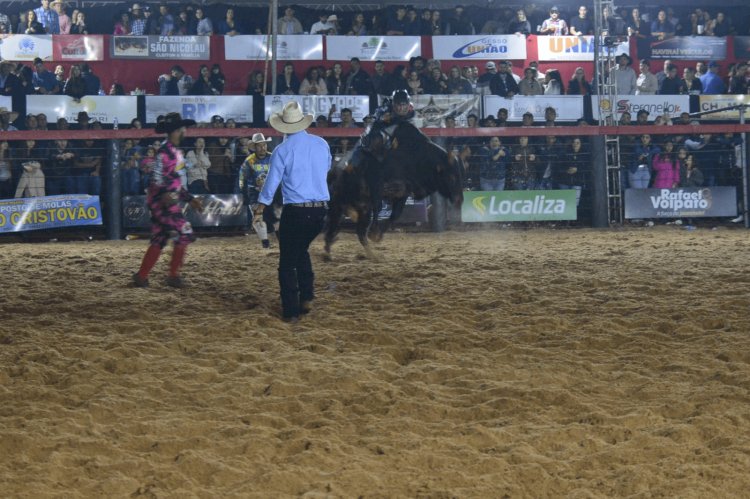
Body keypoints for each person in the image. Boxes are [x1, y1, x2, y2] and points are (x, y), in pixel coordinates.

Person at [253, 101, 331, 322]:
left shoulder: (282, 150)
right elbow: (325, 170)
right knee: (301, 250)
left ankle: (291, 311)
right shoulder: (321, 144)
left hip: (295, 211)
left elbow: (271, 183)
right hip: (319, 212)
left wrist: (260, 209)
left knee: (287, 262)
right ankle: (307, 297)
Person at [133, 112, 203, 289]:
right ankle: (172, 275)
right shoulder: (164, 152)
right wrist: (167, 195)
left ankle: (142, 276)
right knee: (185, 232)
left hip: (163, 202)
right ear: (174, 131)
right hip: (163, 204)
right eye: (181, 130)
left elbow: (175, 181)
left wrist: (189, 199)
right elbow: (156, 178)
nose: (184, 133)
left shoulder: (173, 152)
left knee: (159, 238)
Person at [239, 133, 276, 248]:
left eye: (264, 145)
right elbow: (242, 179)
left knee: (276, 217)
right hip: (255, 192)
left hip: (272, 192)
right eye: (259, 146)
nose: (263, 148)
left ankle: (279, 240)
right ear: (255, 147)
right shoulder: (249, 161)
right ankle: (265, 243)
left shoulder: (272, 157)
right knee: (258, 217)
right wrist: (245, 195)